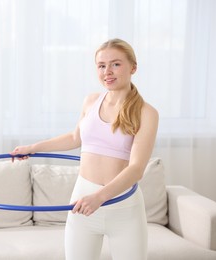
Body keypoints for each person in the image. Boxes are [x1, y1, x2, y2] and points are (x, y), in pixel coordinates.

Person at [10, 38, 158, 260]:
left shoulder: (146, 112)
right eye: (101, 65)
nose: (107, 71)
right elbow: (74, 137)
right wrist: (32, 148)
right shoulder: (91, 101)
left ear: (133, 67)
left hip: (123, 208)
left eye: (116, 64)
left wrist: (99, 197)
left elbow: (136, 169)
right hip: (83, 201)